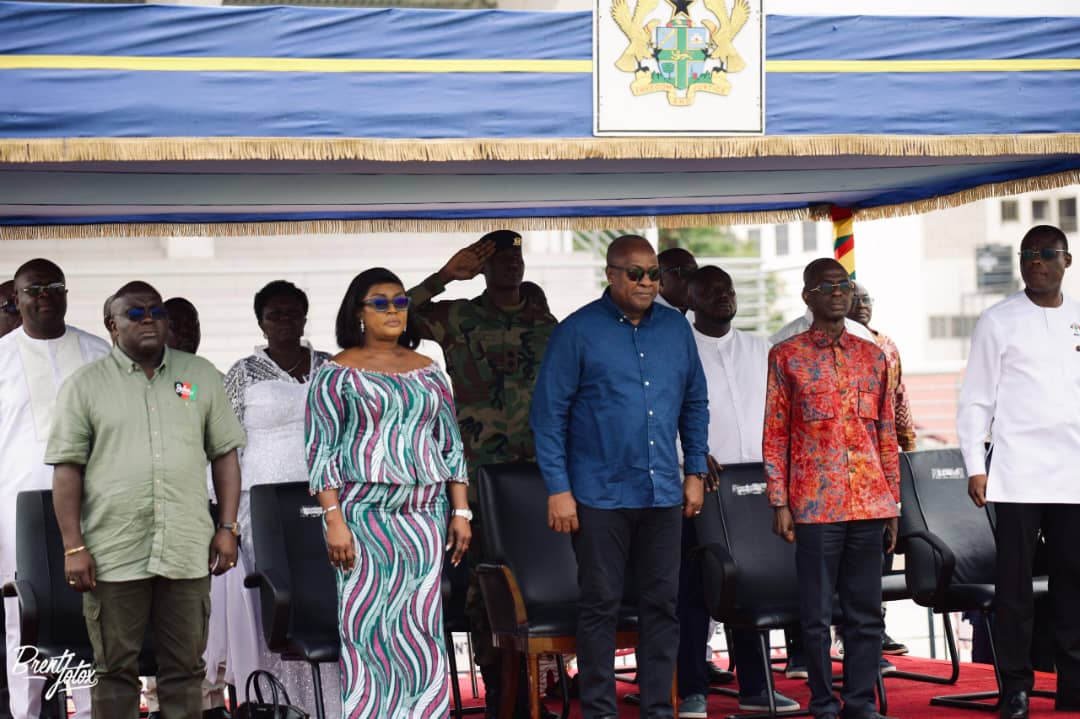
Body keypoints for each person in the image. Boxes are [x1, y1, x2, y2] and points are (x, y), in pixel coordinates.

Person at [45, 280, 245, 718]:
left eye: (155, 311)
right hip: (112, 552)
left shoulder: (200, 376)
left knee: (185, 670)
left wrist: (228, 528)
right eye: (135, 314)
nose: (148, 319)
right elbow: (67, 471)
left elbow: (225, 456)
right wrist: (73, 546)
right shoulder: (86, 385)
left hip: (187, 548)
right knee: (115, 671)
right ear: (111, 325)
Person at [531, 234, 709, 718]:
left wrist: (694, 468)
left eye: (654, 273)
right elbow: (549, 417)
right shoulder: (577, 331)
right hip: (597, 493)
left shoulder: (675, 331)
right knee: (600, 606)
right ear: (610, 275)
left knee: (662, 606)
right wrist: (559, 490)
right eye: (636, 273)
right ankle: (601, 712)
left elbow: (694, 403)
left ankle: (657, 710)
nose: (647, 282)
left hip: (662, 493)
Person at [306, 267, 472, 719]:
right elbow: (321, 452)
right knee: (367, 628)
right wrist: (333, 519)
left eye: (400, 301)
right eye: (380, 302)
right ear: (358, 313)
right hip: (363, 517)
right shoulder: (335, 374)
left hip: (423, 516)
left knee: (420, 627)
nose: (394, 310)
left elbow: (450, 445)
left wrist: (461, 511)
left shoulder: (430, 371)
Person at [408, 230, 557, 715]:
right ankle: (497, 685)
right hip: (476, 474)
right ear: (483, 267)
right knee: (483, 583)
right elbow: (386, 318)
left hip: (540, 471)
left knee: (546, 573)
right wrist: (444, 276)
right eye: (498, 259)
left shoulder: (546, 322)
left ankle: (545, 682)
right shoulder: (458, 317)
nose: (510, 266)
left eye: (516, 258)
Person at [764, 258, 899, 719]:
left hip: (869, 504)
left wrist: (893, 502)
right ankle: (823, 703)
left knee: (867, 615)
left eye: (845, 285)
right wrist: (779, 500)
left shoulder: (874, 356)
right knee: (817, 617)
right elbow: (776, 432)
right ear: (808, 296)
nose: (839, 292)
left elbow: (886, 433)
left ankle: (860, 703)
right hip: (815, 505)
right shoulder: (787, 356)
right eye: (827, 285)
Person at [957, 224, 1080, 719]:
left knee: (1075, 583)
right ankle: (1016, 687)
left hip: (1073, 473)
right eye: (1028, 253)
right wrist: (973, 464)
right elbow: (976, 400)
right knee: (1015, 587)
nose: (1037, 261)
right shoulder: (997, 320)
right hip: (1017, 472)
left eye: (1047, 253)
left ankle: (1073, 683)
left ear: (1066, 261)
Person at [672, 266, 800, 718]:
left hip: (757, 482)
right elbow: (665, 411)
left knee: (751, 585)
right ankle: (692, 690)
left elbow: (781, 408)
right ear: (690, 297)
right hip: (700, 485)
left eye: (727, 289)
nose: (722, 296)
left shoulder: (758, 347)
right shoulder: (678, 347)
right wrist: (688, 453)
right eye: (710, 290)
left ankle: (756, 687)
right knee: (695, 591)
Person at [222, 280, 338, 716]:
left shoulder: (331, 366)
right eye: (275, 314)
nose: (285, 321)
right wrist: (229, 522)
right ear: (261, 322)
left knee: (326, 597)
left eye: (293, 313)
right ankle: (279, 704)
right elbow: (226, 446)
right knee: (277, 600)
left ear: (305, 317)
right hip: (264, 506)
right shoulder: (242, 373)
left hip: (326, 498)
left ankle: (333, 704)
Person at [0, 259, 108, 719]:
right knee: (21, 616)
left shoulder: (98, 351)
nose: (44, 295)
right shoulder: (1, 356)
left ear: (67, 293)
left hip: (92, 500)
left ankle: (87, 713)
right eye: (33, 288)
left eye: (54, 286)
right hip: (16, 505)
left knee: (92, 611)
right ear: (17, 299)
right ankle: (26, 715)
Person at [846, 281, 914, 660]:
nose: (862, 305)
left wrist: (909, 446)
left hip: (879, 460)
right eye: (856, 299)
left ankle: (878, 627)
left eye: (867, 298)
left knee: (879, 551)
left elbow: (899, 398)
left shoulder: (884, 345)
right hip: (836, 469)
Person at [656, 247, 698, 320]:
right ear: (659, 278)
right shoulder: (644, 317)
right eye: (684, 272)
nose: (693, 278)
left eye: (696, 272)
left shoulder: (699, 314)